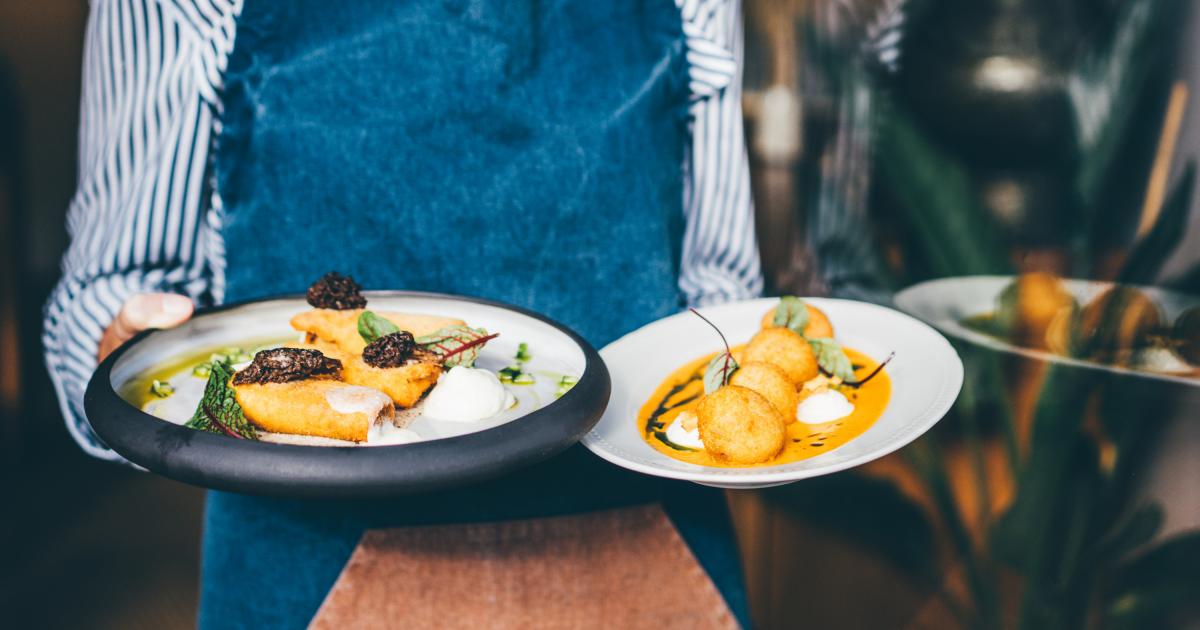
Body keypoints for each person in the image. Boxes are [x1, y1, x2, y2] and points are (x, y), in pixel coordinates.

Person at [44, 0, 762, 627]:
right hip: (304, 569)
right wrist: (129, 352)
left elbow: (721, 287)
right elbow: (113, 290)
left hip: (653, 554)